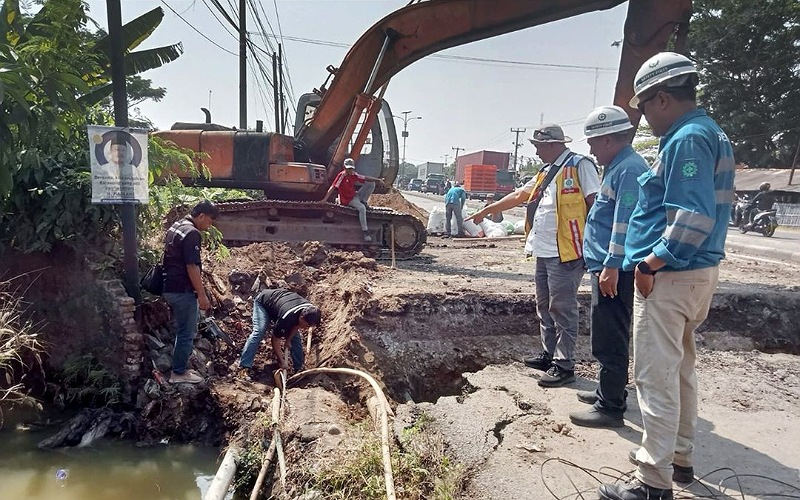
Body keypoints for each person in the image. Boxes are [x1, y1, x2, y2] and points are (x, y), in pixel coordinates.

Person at [598, 52, 735, 500]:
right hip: (696, 275)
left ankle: (650, 482)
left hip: (673, 275)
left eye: (643, 107)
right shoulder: (710, 132)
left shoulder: (687, 138)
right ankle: (678, 458)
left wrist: (648, 263)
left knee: (656, 379)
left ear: (660, 98)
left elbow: (691, 216)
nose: (644, 120)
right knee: (680, 373)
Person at [469, 124, 600, 387]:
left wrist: (595, 246)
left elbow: (595, 205)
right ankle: (549, 354)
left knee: (562, 307)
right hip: (543, 249)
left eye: (539, 146)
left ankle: (564, 365)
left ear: (553, 144)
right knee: (544, 305)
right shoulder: (545, 172)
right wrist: (487, 210)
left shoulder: (580, 166)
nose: (537, 151)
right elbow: (520, 195)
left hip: (568, 251)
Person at [568, 106, 648, 429]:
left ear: (611, 138)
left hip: (614, 269)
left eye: (594, 142)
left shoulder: (628, 169)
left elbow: (623, 222)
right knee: (607, 332)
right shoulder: (617, 167)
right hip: (606, 265)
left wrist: (612, 265)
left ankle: (610, 406)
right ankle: (609, 390)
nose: (590, 149)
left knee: (610, 336)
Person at [162, 200, 220, 384]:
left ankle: (177, 365)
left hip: (168, 286)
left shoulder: (177, 226)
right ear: (201, 216)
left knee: (183, 329)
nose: (209, 226)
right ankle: (178, 373)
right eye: (210, 221)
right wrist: (202, 295)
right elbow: (192, 266)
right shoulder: (192, 233)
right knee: (187, 331)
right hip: (181, 289)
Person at [238, 288, 322, 377]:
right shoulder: (286, 318)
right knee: (259, 331)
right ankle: (245, 367)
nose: (307, 328)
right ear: (302, 318)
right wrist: (282, 361)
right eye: (307, 325)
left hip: (280, 305)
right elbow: (275, 340)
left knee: (295, 338)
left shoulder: (310, 310)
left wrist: (288, 340)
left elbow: (297, 325)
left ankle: (299, 369)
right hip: (263, 303)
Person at [321, 157, 385, 242]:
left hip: (355, 196)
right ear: (344, 168)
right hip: (348, 199)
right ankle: (365, 231)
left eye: (351, 169)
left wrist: (378, 180)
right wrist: (325, 199)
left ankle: (364, 201)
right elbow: (333, 186)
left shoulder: (354, 175)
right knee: (362, 208)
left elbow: (365, 178)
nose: (349, 170)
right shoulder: (342, 176)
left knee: (371, 183)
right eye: (348, 169)